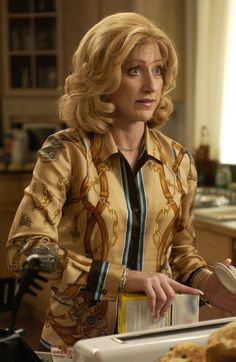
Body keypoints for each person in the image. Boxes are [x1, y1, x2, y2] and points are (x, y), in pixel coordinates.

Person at [6, 12, 236, 351]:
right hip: (77, 344)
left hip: (157, 338)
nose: (151, 84)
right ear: (101, 77)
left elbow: (183, 255)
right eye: (134, 70)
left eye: (157, 69)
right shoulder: (66, 153)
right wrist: (129, 279)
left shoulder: (178, 160)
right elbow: (25, 251)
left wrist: (209, 283)